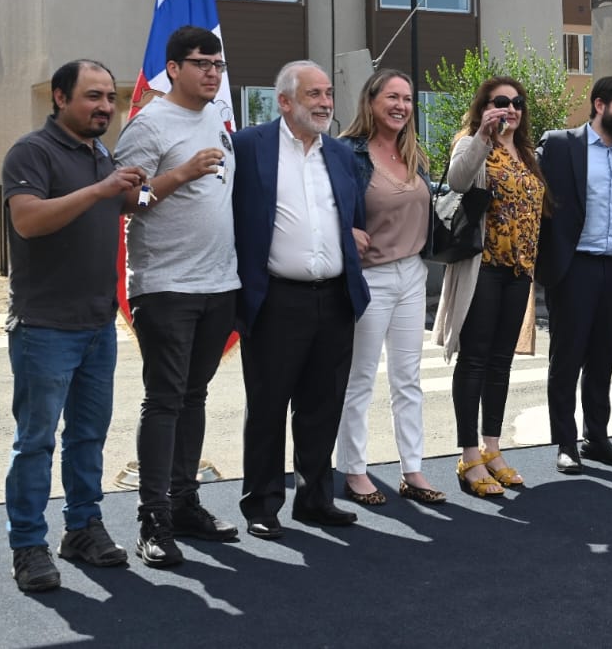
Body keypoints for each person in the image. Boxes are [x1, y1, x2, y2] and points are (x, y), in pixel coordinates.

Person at [1, 59, 146, 592]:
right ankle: (28, 545)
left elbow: (129, 204)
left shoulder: (101, 154)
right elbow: (28, 220)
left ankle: (83, 528)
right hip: (44, 327)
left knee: (88, 438)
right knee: (35, 442)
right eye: (92, 96)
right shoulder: (31, 152)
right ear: (60, 98)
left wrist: (175, 177)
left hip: (96, 325)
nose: (105, 106)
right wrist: (102, 189)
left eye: (109, 97)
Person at [114, 25, 240, 568]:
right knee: (165, 401)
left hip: (219, 284)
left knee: (194, 398)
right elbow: (125, 199)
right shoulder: (150, 123)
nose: (212, 73)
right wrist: (181, 174)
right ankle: (154, 520)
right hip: (166, 287)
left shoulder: (215, 115)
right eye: (201, 64)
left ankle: (186, 504)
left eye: (218, 64)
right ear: (173, 69)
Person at [232, 60, 370, 539]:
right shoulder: (250, 147)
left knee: (322, 405)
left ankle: (315, 500)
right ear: (285, 101)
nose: (325, 102)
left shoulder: (340, 153)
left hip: (334, 299)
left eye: (328, 93)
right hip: (275, 300)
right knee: (268, 406)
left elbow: (350, 213)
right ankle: (262, 505)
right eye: (314, 94)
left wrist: (354, 237)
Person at [433, 78, 546, 496]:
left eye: (517, 102)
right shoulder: (470, 142)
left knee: (501, 362)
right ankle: (468, 457)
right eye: (501, 102)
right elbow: (459, 181)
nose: (511, 109)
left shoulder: (528, 154)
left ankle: (492, 450)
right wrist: (482, 135)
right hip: (484, 267)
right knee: (475, 361)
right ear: (484, 107)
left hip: (519, 271)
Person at [337, 69, 445, 506]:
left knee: (408, 381)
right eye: (392, 97)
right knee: (359, 379)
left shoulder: (413, 153)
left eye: (408, 98)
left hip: (411, 274)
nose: (401, 105)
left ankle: (412, 470)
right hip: (370, 277)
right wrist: (343, 230)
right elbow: (325, 205)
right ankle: (354, 471)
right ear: (372, 101)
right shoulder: (349, 154)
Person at [535, 75, 612, 473]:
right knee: (567, 357)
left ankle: (597, 437)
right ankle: (566, 443)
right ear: (600, 105)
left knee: (602, 357)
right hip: (573, 266)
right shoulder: (562, 145)